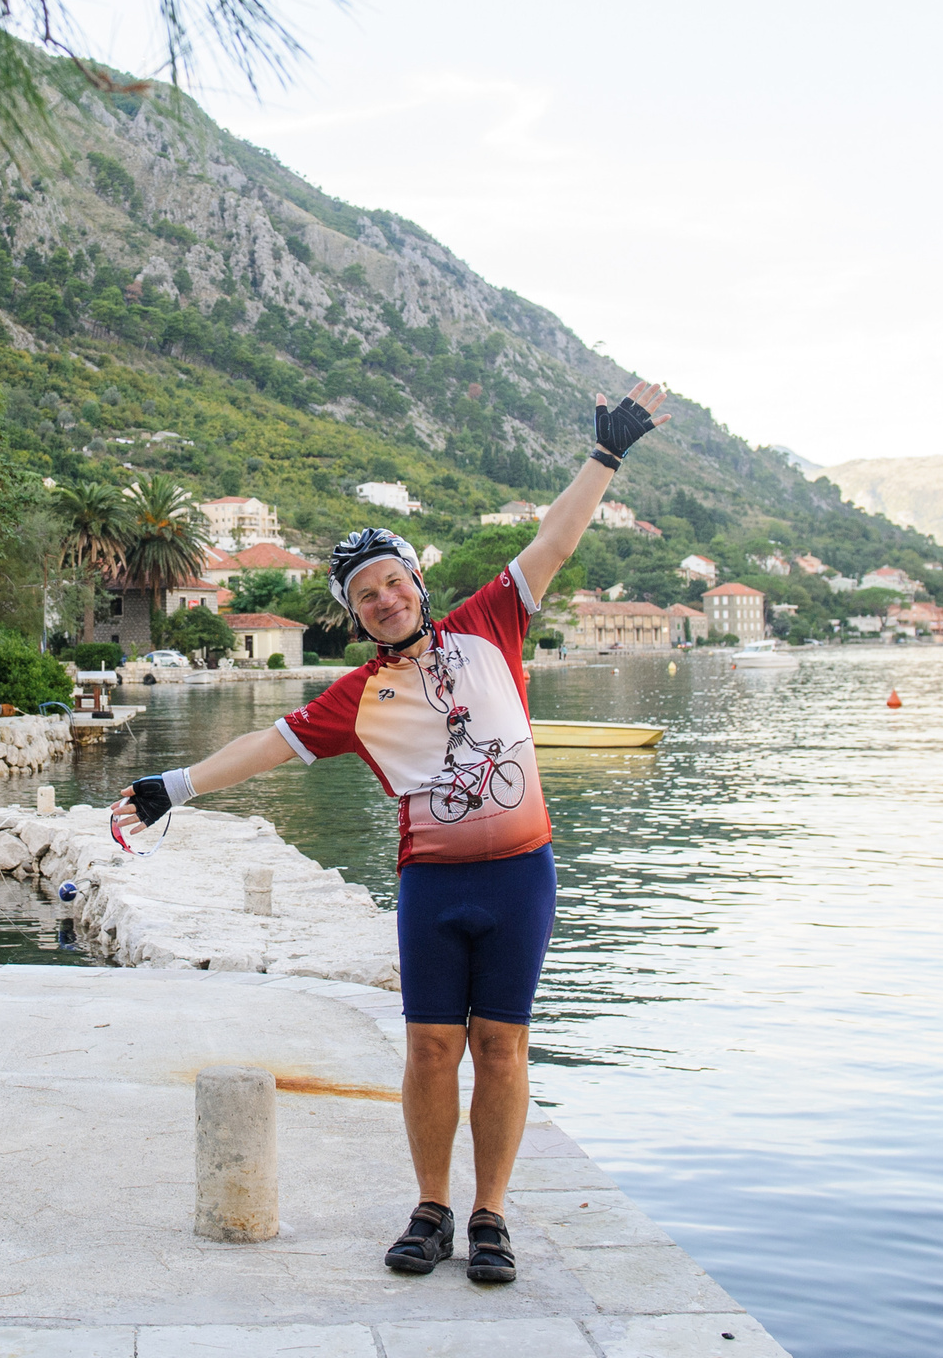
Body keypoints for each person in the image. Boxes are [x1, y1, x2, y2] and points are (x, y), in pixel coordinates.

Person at [113, 382, 671, 1284]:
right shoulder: (352, 698)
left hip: (521, 877)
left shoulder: (490, 623)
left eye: (392, 582)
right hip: (434, 885)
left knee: (501, 1045)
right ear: (351, 611)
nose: (383, 600)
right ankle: (431, 1207)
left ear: (417, 583)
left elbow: (555, 540)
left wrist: (606, 456)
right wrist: (171, 785)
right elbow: (266, 744)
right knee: (428, 1048)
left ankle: (491, 1215)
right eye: (363, 594)